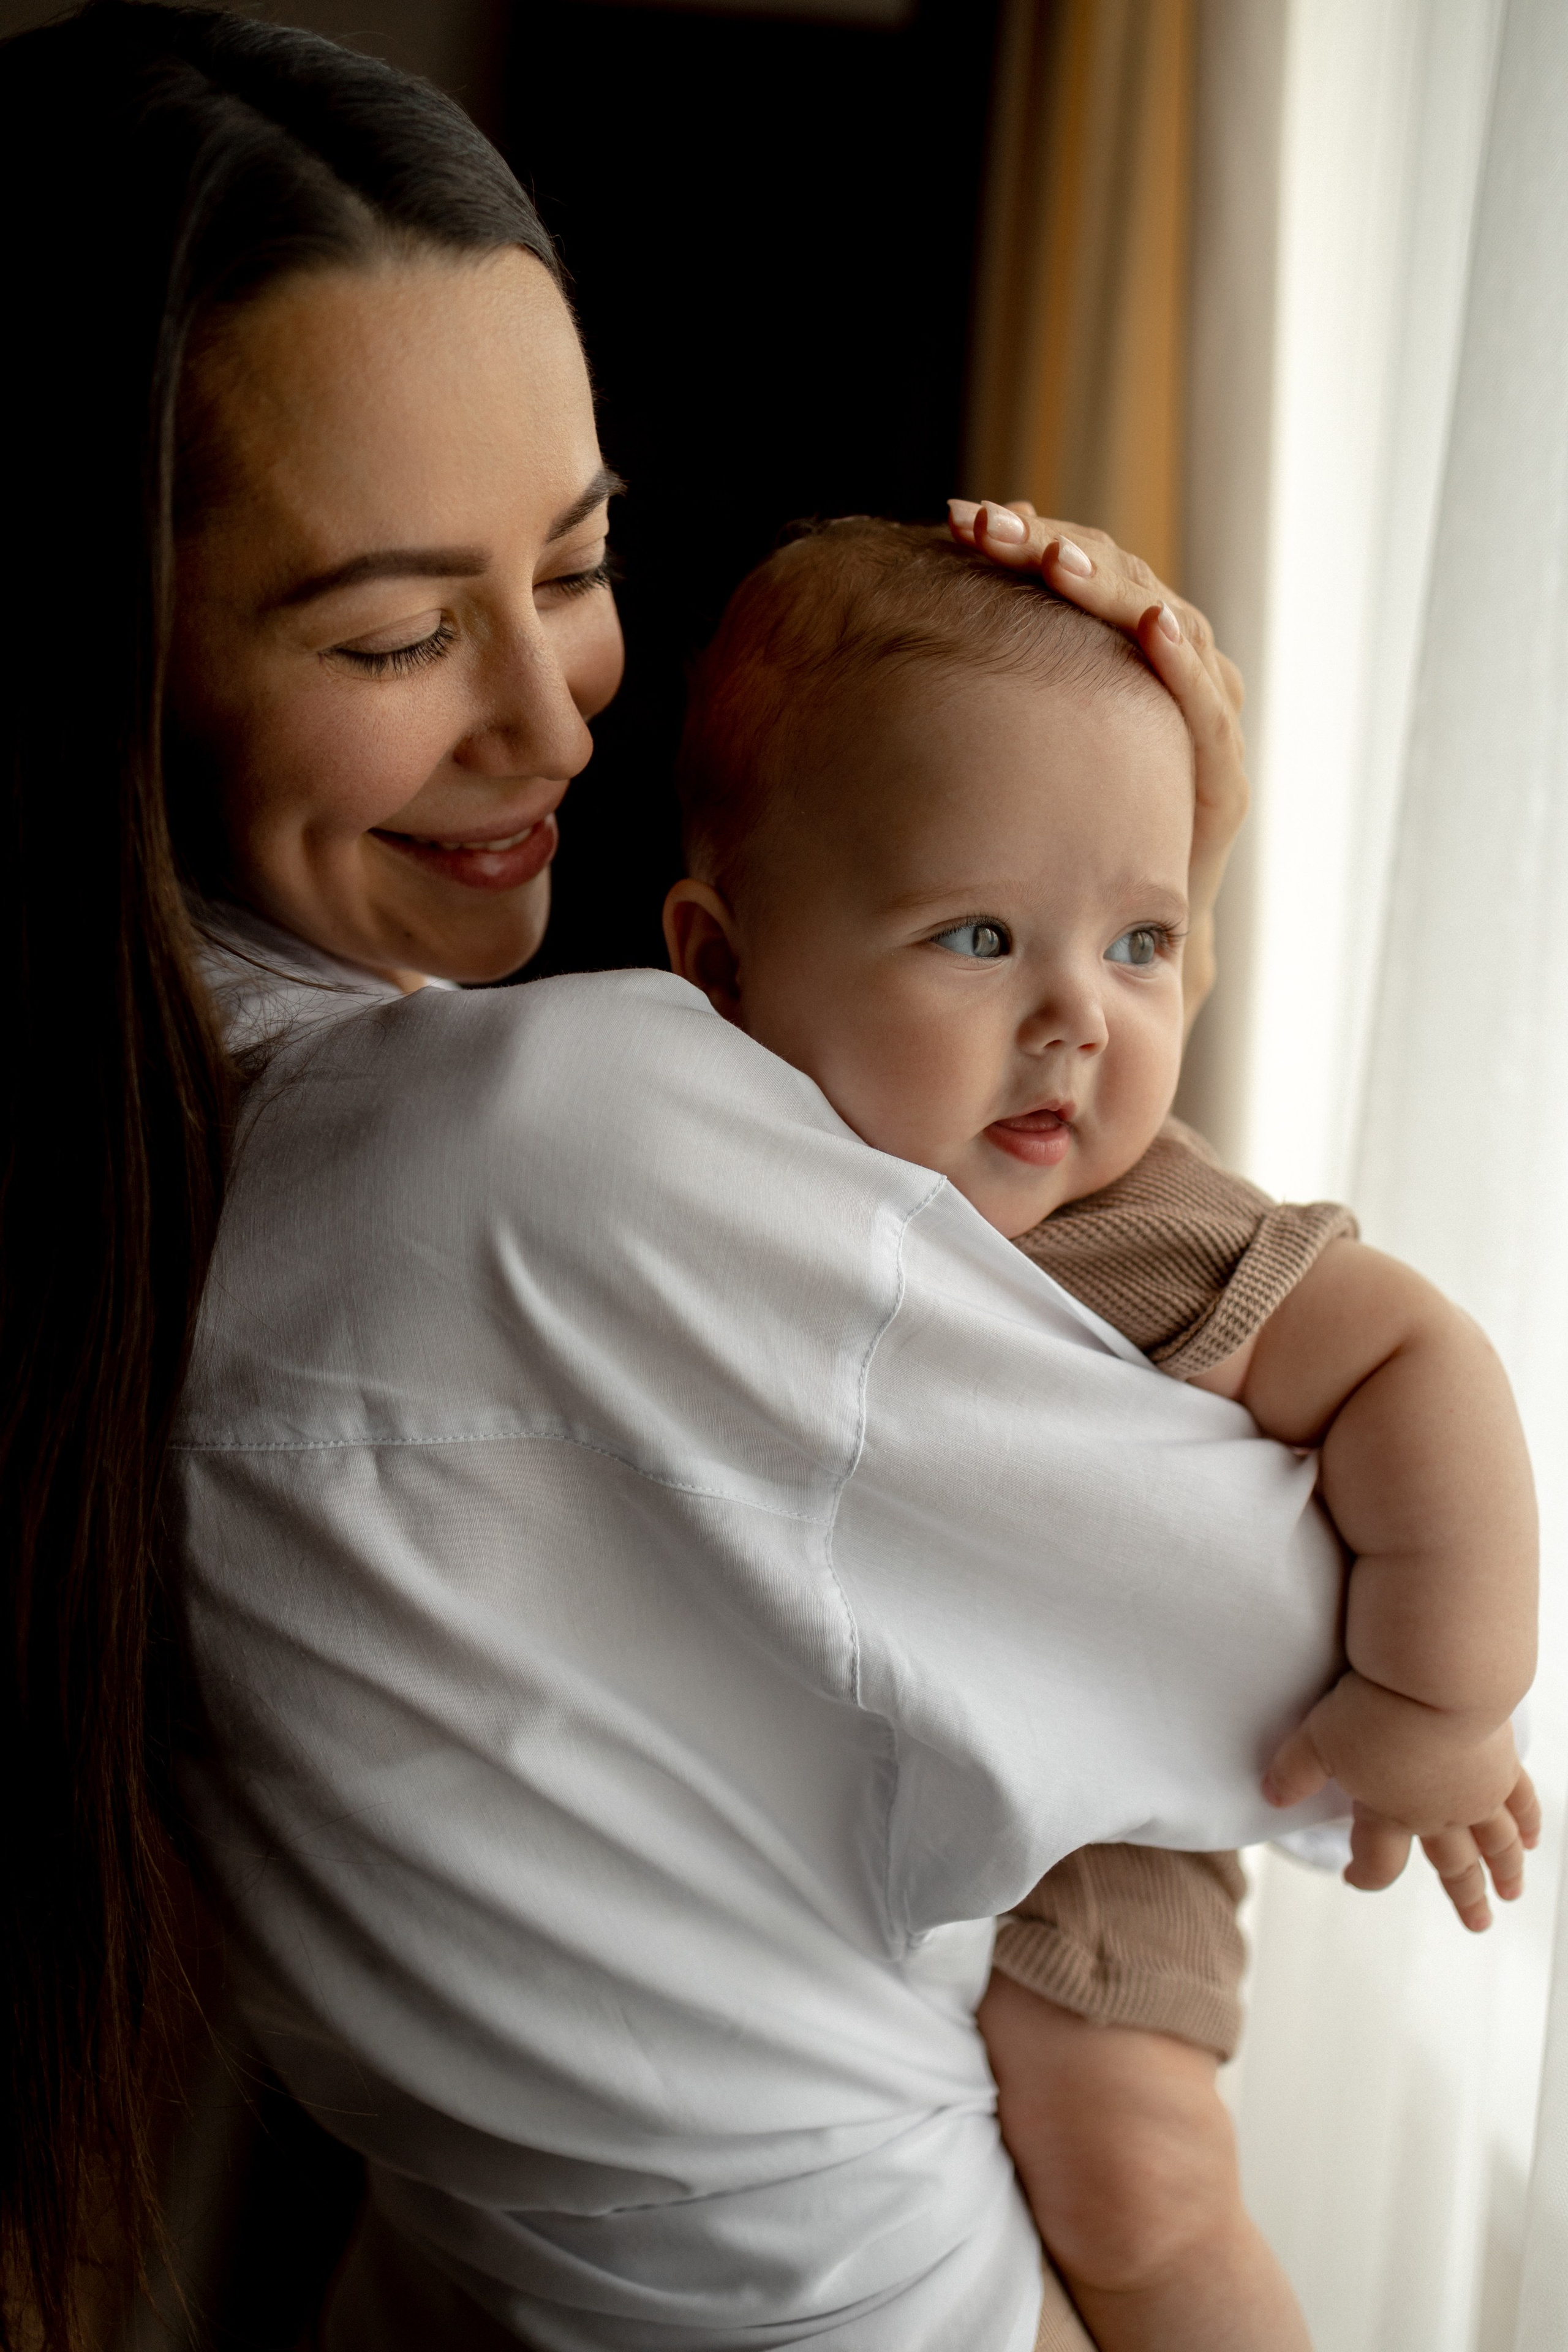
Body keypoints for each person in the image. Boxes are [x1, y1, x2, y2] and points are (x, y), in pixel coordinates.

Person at [0, 7, 1331, 2348]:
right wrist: (1170, 823)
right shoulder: (540, 1146)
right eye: (400, 631)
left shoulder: (115, 1189)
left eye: (584, 562)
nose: (555, 717)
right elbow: (1298, 1630)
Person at [661, 516, 1539, 2352]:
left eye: (1141, 941)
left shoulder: (1137, 1229)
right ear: (722, 971)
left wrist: (1438, 1700)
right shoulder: (699, 1184)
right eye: (981, 937)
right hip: (830, 1833)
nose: (1076, 1017)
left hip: (1093, 1863)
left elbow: (1420, 1368)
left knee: (1129, 2169)